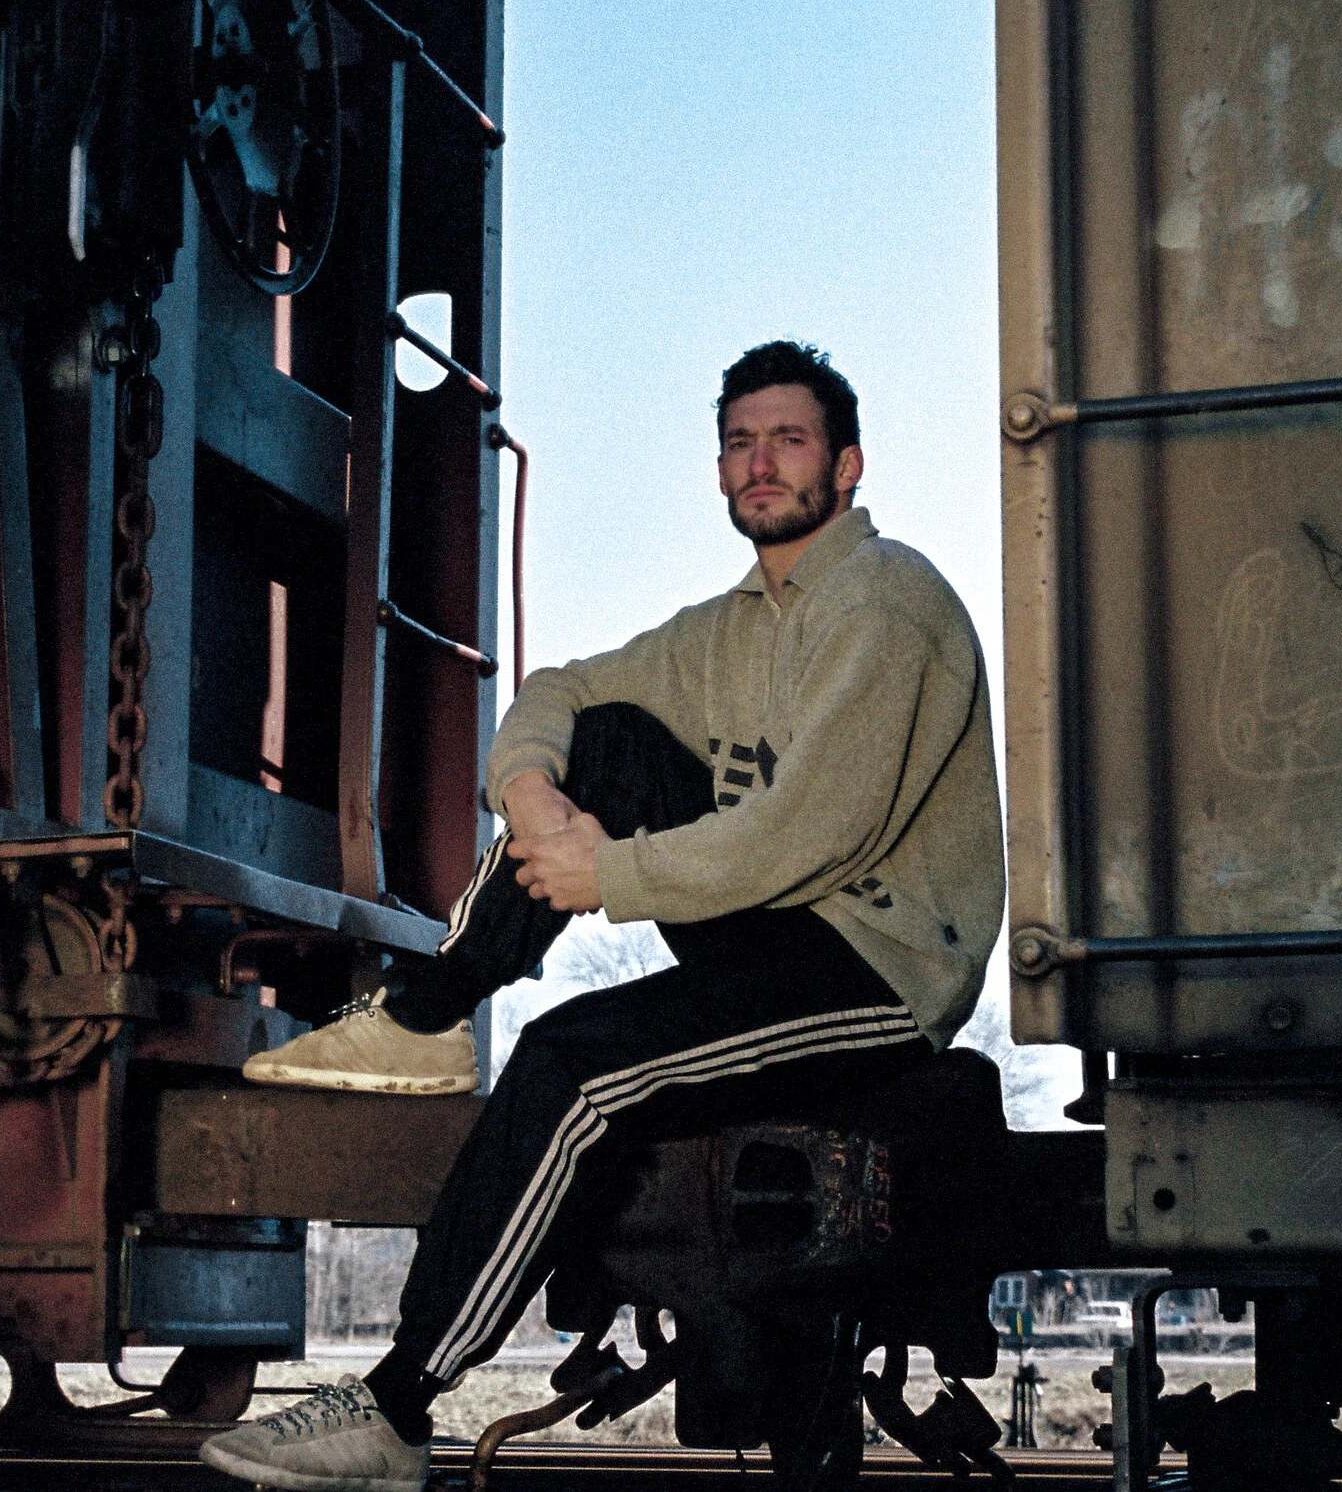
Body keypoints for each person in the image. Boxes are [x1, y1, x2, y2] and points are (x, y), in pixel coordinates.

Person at [201, 340, 1003, 1492]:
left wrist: (607, 874)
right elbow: (559, 691)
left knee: (572, 1060)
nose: (759, 463)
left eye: (787, 439)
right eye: (739, 442)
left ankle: (396, 1407)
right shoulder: (733, 623)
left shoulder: (886, 602)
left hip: (875, 969)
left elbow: (808, 835)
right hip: (773, 931)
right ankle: (428, 1016)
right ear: (718, 470)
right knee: (610, 735)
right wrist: (532, 791)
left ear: (847, 464)